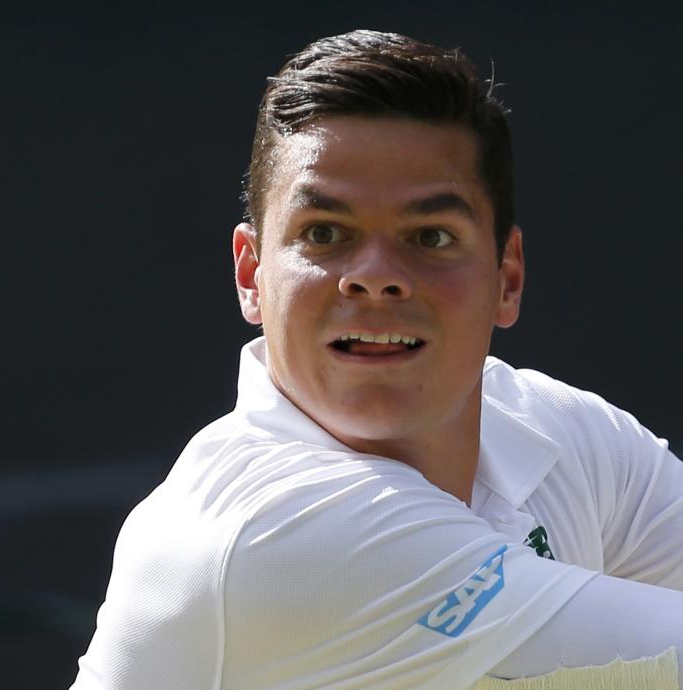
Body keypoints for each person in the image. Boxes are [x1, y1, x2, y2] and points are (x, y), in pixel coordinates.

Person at [70, 30, 683, 689]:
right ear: (251, 274)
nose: (375, 277)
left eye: (430, 236)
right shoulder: (274, 532)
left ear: (507, 278)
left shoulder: (572, 440)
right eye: (325, 233)